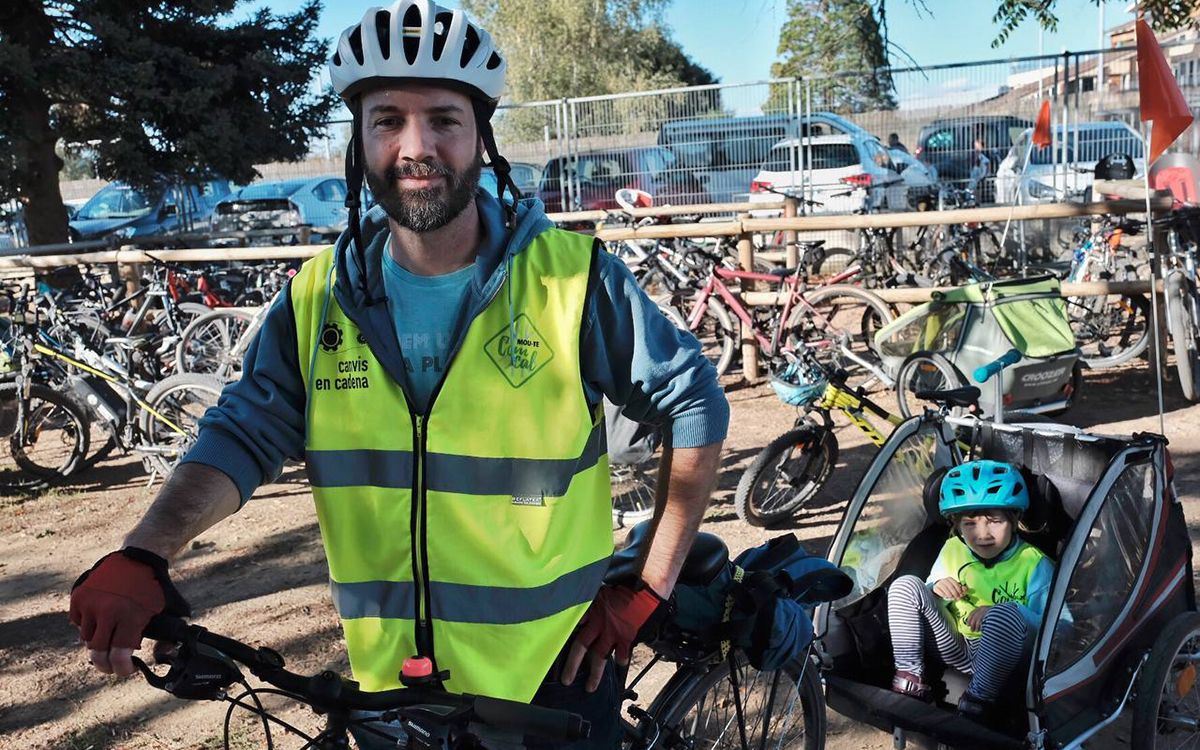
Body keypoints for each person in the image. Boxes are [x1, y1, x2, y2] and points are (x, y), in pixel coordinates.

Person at [66, 1, 729, 747]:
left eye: (444, 118)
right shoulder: (318, 297)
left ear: (481, 136)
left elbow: (695, 404)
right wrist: (146, 550)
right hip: (391, 691)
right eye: (387, 120)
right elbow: (244, 433)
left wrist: (648, 585)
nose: (416, 147)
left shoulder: (572, 281)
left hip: (554, 680)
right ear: (359, 139)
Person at [886, 460, 1054, 724]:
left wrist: (1001, 613)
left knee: (1005, 615)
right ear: (956, 523)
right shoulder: (953, 549)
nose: (982, 534)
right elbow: (929, 589)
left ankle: (978, 699)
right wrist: (936, 587)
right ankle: (910, 676)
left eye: (994, 521)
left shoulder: (1035, 563)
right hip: (957, 645)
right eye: (970, 524)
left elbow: (1056, 629)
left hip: (1007, 658)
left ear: (1014, 518)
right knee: (905, 585)